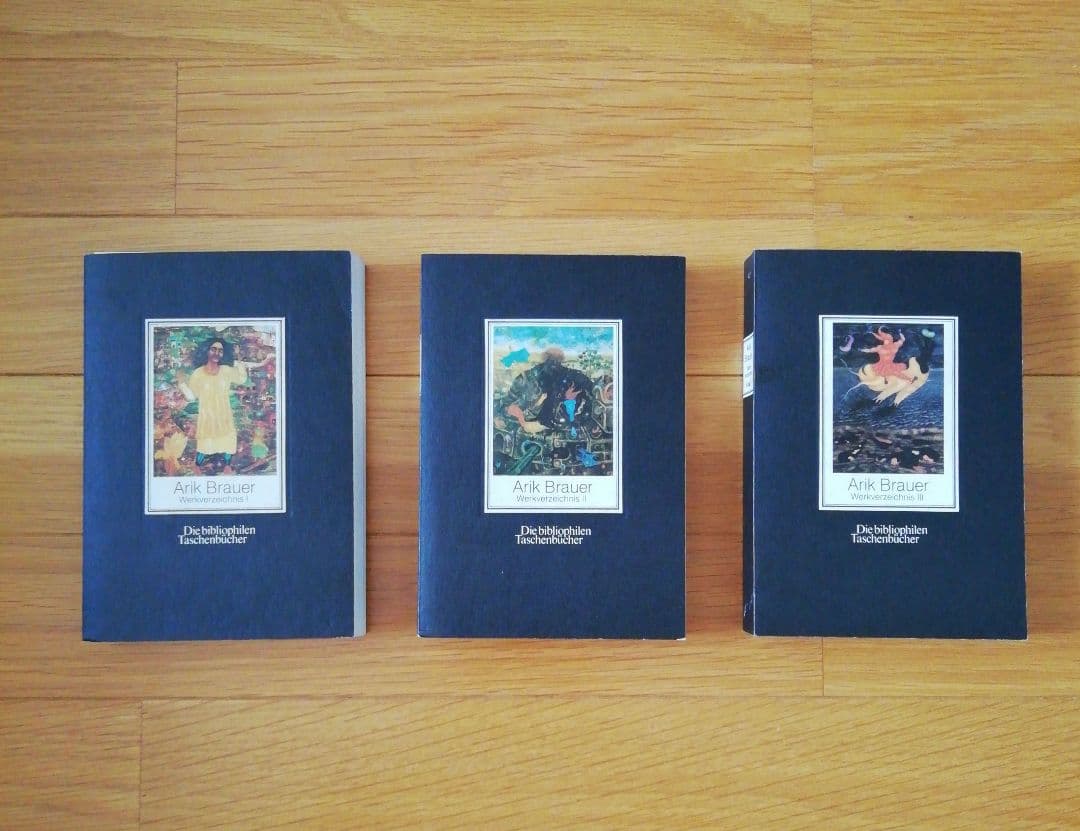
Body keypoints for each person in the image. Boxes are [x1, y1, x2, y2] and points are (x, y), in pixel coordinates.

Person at [179, 337, 270, 467]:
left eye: (220, 351)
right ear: (206, 351)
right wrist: (182, 385)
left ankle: (227, 468)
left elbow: (241, 379)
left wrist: (239, 363)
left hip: (224, 415)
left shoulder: (226, 370)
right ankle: (198, 468)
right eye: (213, 349)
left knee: (227, 442)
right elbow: (192, 396)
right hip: (207, 417)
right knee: (205, 445)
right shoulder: (197, 374)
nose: (217, 353)